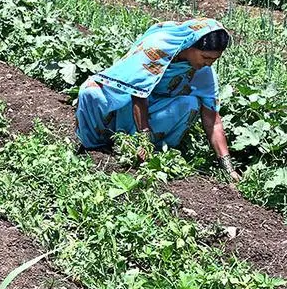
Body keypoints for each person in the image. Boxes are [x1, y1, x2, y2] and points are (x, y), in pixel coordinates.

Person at [76, 18, 239, 181]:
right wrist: (144, 139)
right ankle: (94, 147)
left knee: (191, 104)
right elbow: (138, 94)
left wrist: (228, 168)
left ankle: (151, 151)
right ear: (190, 45)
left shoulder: (201, 70)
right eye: (205, 57)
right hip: (126, 101)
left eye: (214, 60)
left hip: (154, 109)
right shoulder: (157, 47)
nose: (208, 64)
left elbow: (213, 121)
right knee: (91, 91)